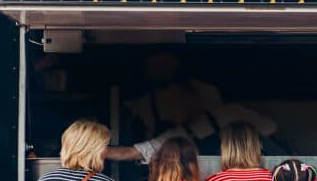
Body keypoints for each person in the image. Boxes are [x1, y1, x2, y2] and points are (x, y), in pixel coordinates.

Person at [106, 52, 277, 164]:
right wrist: (87, 148)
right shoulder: (181, 133)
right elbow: (128, 153)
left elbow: (271, 128)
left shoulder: (231, 114)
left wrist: (240, 135)